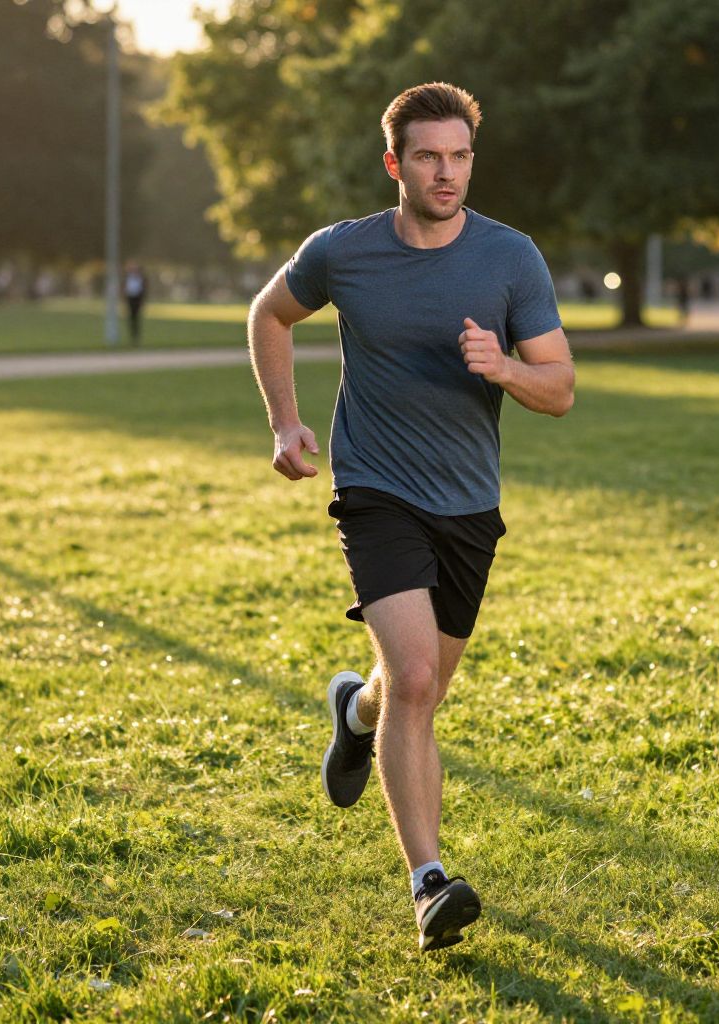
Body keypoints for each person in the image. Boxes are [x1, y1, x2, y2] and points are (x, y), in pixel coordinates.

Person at [247, 82, 574, 953]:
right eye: (428, 156)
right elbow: (269, 315)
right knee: (421, 681)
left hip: (469, 504)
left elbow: (562, 388)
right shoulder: (342, 252)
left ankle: (355, 712)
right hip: (375, 490)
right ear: (395, 163)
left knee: (410, 693)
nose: (447, 172)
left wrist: (501, 367)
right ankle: (429, 884)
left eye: (460, 155)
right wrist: (285, 418)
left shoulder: (512, 259)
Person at [123, 261, 147, 345]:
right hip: (130, 299)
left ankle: (136, 337)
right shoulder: (128, 277)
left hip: (137, 299)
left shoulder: (141, 278)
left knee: (136, 318)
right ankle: (132, 337)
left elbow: (143, 290)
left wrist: (142, 302)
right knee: (131, 318)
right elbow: (125, 289)